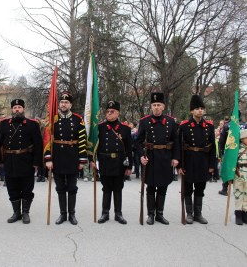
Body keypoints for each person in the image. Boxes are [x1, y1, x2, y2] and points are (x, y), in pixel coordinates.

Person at [0, 99, 43, 224]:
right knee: (12, 188)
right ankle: (16, 213)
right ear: (12, 109)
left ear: (23, 109)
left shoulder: (32, 124)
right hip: (10, 161)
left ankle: (26, 212)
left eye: (19, 107)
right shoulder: (4, 124)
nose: (17, 109)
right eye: (15, 107)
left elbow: (38, 144)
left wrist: (37, 163)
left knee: (27, 188)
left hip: (26, 160)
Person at [136, 92, 179, 225]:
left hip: (166, 157)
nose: (156, 107)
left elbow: (176, 141)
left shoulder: (171, 121)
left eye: (158, 105)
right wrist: (141, 157)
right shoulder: (144, 121)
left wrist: (176, 158)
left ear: (163, 106)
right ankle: (150, 214)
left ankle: (160, 213)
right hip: (151, 157)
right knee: (151, 187)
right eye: (154, 105)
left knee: (163, 187)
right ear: (151, 106)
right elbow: (138, 142)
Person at [44, 91, 88, 225]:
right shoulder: (53, 119)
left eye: (66, 102)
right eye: (62, 102)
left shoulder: (77, 119)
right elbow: (47, 141)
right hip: (57, 158)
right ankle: (63, 214)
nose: (64, 104)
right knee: (60, 188)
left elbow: (82, 140)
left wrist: (82, 160)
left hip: (72, 158)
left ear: (71, 104)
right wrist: (48, 159)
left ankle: (72, 214)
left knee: (72, 187)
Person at [90, 100, 132, 224]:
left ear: (118, 113)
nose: (109, 113)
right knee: (106, 188)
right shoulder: (99, 127)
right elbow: (93, 145)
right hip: (105, 162)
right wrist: (91, 160)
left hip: (119, 162)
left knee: (118, 188)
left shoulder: (125, 129)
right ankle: (105, 213)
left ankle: (118, 214)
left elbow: (129, 149)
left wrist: (129, 166)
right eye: (107, 111)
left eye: (112, 111)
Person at [178, 95, 216, 224]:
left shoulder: (209, 126)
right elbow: (179, 147)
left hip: (203, 160)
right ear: (191, 111)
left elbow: (213, 147)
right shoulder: (184, 126)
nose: (200, 111)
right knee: (188, 188)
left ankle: (198, 214)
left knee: (200, 188)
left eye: (201, 108)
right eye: (197, 108)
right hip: (188, 161)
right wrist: (179, 166)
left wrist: (212, 165)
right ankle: (189, 213)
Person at [218, 112, 246, 195]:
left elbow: (221, 141)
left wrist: (221, 153)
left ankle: (225, 188)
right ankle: (241, 188)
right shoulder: (244, 125)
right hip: (242, 152)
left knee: (228, 170)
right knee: (241, 169)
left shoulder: (227, 125)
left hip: (229, 151)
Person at [234, 129, 247, 225]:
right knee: (239, 194)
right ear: (242, 139)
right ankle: (238, 214)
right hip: (239, 174)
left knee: (246, 195)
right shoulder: (237, 149)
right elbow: (231, 162)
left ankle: (245, 213)